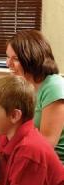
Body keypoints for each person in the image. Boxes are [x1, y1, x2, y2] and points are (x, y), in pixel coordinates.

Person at [6, 30, 64, 162]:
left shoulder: (54, 87)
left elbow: (47, 143)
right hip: (32, 152)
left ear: (32, 59)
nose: (8, 64)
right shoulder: (25, 84)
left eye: (15, 59)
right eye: (7, 57)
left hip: (55, 161)